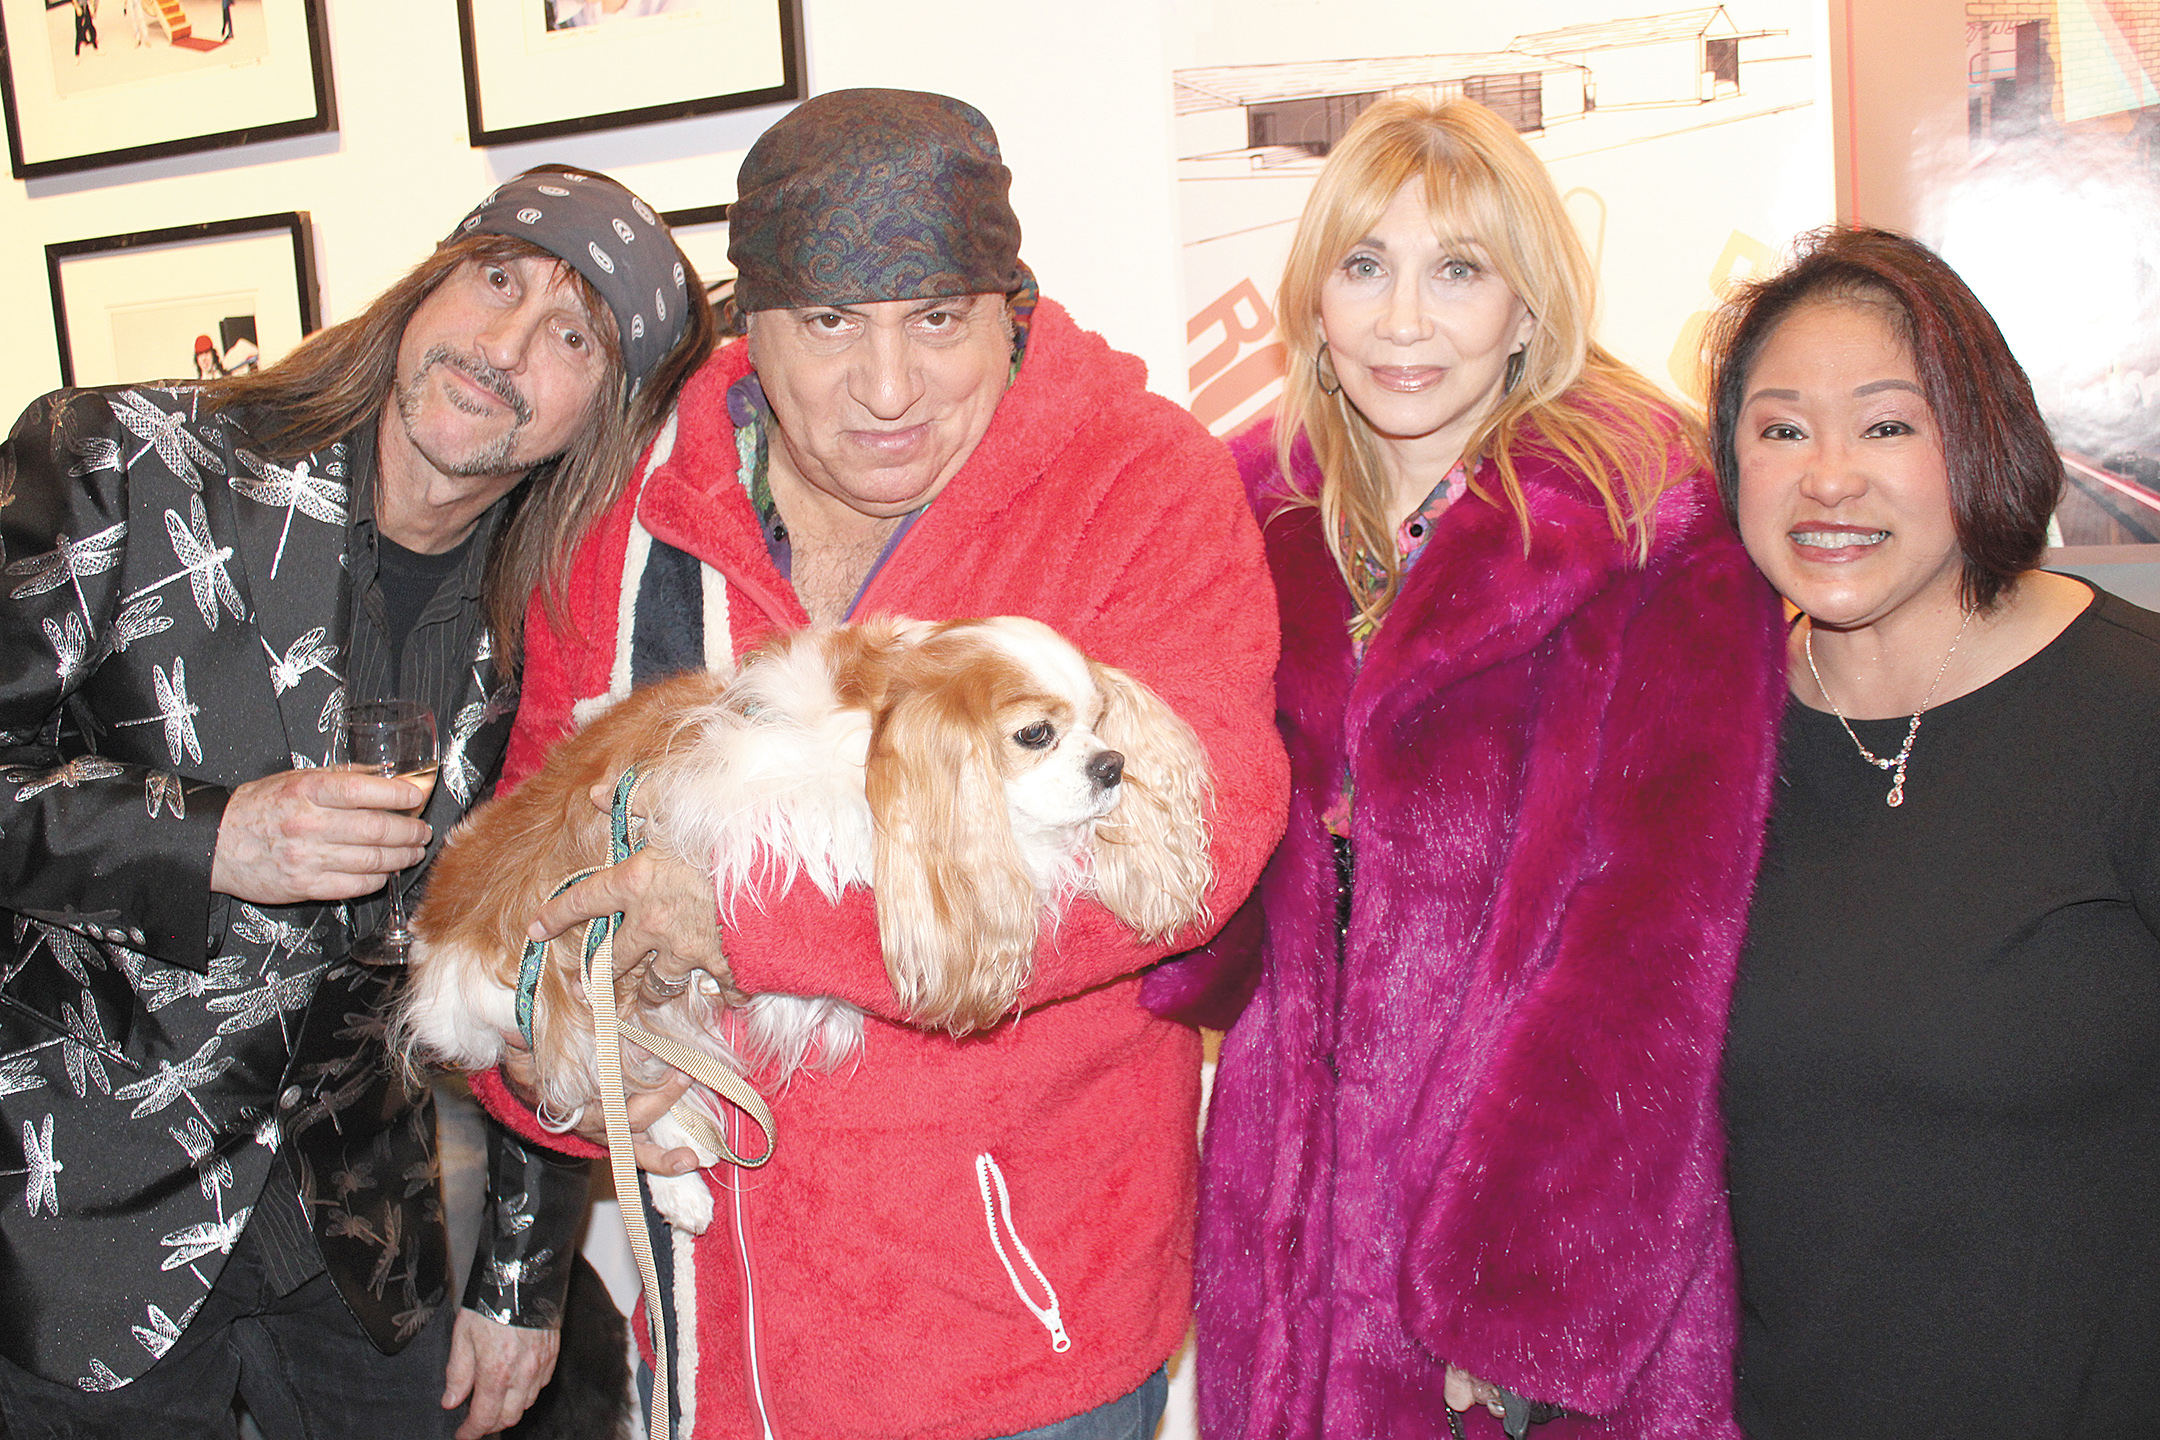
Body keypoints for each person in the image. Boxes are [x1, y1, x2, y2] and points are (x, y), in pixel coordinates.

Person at [464, 89, 1288, 1439]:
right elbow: (529, 849)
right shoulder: (634, 514)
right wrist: (552, 1070)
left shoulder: (1134, 487)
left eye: (940, 320)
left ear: (1011, 308)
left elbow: (1191, 846)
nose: (890, 388)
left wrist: (743, 920)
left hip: (1013, 1349)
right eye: (833, 324)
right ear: (751, 323)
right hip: (716, 1346)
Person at [0, 165, 711, 1438]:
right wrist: (207, 837)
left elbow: (552, 955)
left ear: (604, 416)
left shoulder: (561, 628)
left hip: (360, 1247)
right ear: (428, 283)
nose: (505, 348)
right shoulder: (120, 457)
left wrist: (520, 1283)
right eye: (498, 280)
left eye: (574, 339)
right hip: (78, 1234)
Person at [1140, 96, 1785, 1438]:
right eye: (1365, 266)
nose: (1403, 321)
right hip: (1284, 1238)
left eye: (1458, 271)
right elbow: (1211, 924)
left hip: (1526, 1236)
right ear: (1313, 300)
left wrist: (1526, 1298)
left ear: (1527, 306)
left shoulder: (1656, 528)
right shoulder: (1242, 515)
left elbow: (1657, 946)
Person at [1711, 226, 2160, 1438]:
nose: (1829, 479)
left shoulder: (2132, 714)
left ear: (1981, 435)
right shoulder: (1703, 741)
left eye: (1887, 426)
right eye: (1782, 431)